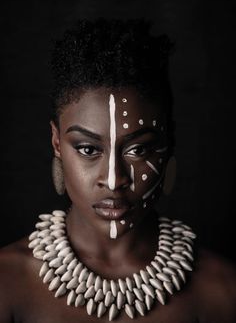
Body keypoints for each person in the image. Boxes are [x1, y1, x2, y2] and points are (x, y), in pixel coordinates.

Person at [0, 18, 236, 323]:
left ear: (168, 143)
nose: (114, 179)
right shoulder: (7, 286)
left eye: (138, 150)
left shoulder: (221, 294)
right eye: (88, 149)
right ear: (57, 142)